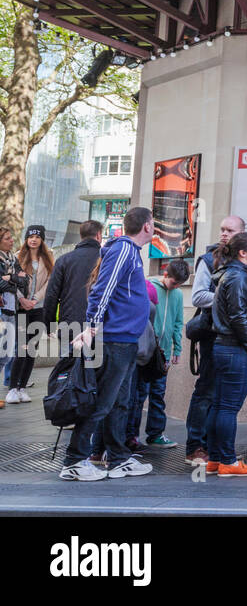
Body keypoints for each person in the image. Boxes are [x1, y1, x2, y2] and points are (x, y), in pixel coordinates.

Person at [60, 206, 157, 481]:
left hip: (123, 341)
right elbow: (102, 289)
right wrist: (92, 327)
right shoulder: (125, 249)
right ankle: (74, 461)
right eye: (153, 223)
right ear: (147, 226)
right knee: (103, 403)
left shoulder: (129, 251)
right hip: (113, 340)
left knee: (119, 403)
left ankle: (118, 458)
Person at [186, 215, 246, 465]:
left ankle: (215, 447)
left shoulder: (243, 261)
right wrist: (227, 298)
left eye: (229, 230)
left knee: (223, 394)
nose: (224, 234)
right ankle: (195, 446)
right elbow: (198, 296)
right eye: (222, 229)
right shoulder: (209, 259)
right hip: (213, 335)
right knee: (207, 390)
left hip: (234, 336)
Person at [205, 232, 247, 477]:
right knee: (228, 407)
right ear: (243, 252)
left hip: (223, 346)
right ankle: (228, 461)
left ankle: (215, 459)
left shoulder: (228, 275)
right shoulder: (238, 277)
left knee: (219, 405)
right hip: (235, 348)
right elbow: (239, 315)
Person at [126, 259, 188, 448]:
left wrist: (177, 349)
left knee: (158, 394)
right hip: (146, 351)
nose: (176, 287)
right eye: (174, 282)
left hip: (163, 353)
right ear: (166, 275)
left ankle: (155, 433)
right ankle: (131, 435)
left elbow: (178, 323)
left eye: (179, 285)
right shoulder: (149, 288)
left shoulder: (177, 295)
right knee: (139, 395)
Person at [8, 224, 54, 402]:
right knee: (22, 348)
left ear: (41, 239)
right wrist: (22, 299)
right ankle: (12, 388)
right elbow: (11, 281)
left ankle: (22, 388)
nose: (33, 239)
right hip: (21, 309)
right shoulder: (17, 257)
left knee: (31, 350)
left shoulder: (49, 259)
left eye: (37, 237)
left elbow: (49, 283)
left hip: (38, 309)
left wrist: (35, 299)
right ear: (26, 239)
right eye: (30, 237)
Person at [41, 220, 103, 351]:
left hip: (69, 326)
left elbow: (51, 295)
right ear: (98, 235)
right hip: (98, 328)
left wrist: (49, 325)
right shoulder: (107, 260)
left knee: (66, 368)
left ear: (81, 236)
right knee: (95, 368)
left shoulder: (64, 260)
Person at [0, 228, 19, 408]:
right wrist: (13, 281)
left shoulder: (13, 259)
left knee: (6, 354)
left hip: (11, 308)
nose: (11, 240)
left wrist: (11, 279)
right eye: (7, 238)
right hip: (2, 309)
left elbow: (24, 280)